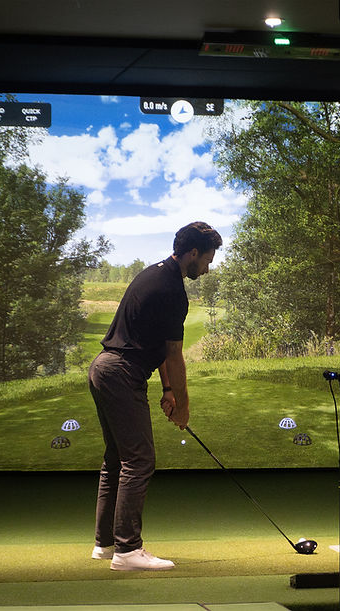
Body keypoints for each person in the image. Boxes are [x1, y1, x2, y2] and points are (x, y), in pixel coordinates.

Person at [87, 221, 222, 571]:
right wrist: (184, 407)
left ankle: (105, 544)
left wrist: (166, 390)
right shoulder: (172, 291)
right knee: (140, 460)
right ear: (193, 253)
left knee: (117, 459)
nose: (207, 269)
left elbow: (158, 346)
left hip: (103, 368)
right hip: (120, 373)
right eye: (207, 260)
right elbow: (175, 355)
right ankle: (128, 551)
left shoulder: (156, 274)